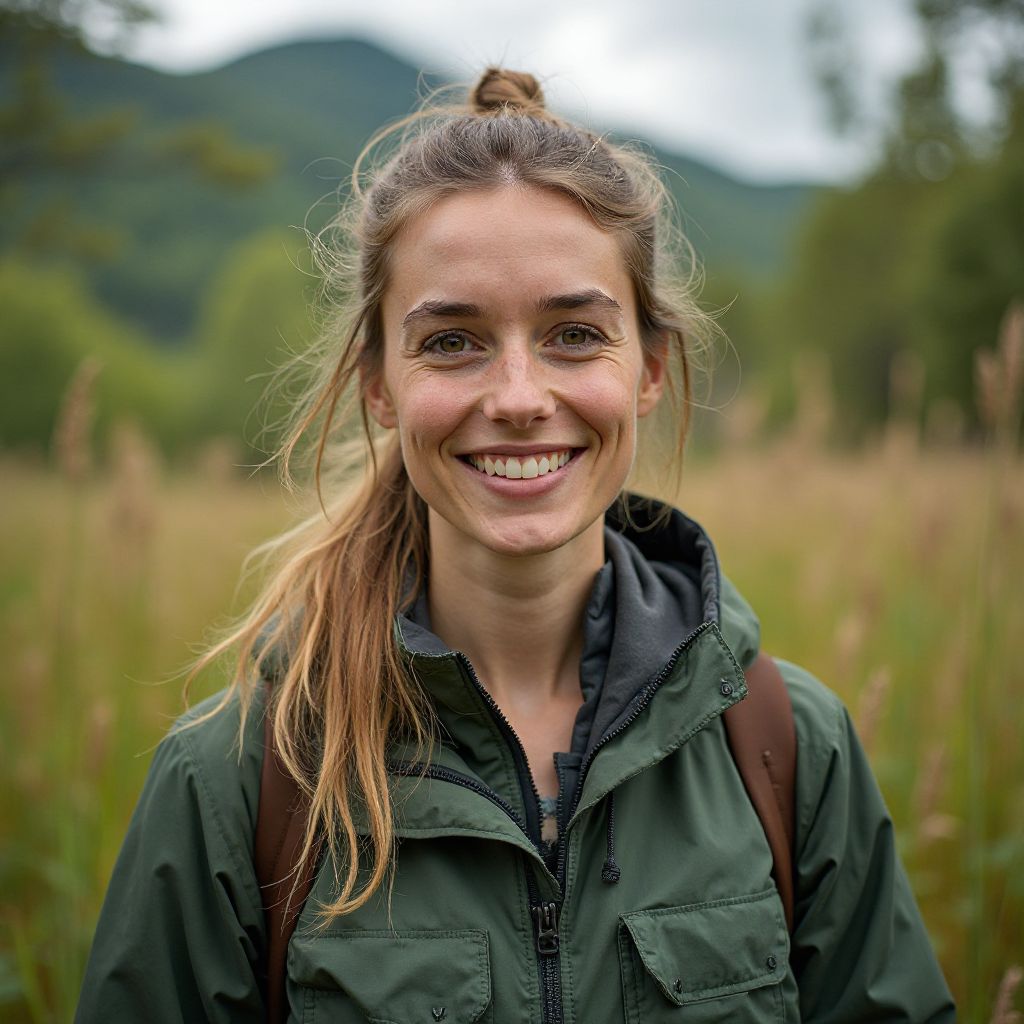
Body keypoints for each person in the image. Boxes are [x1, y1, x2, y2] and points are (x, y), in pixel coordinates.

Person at [76, 68, 955, 1022]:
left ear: (649, 370)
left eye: (575, 333)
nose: (520, 397)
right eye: (452, 342)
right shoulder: (243, 778)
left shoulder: (787, 748)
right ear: (380, 383)